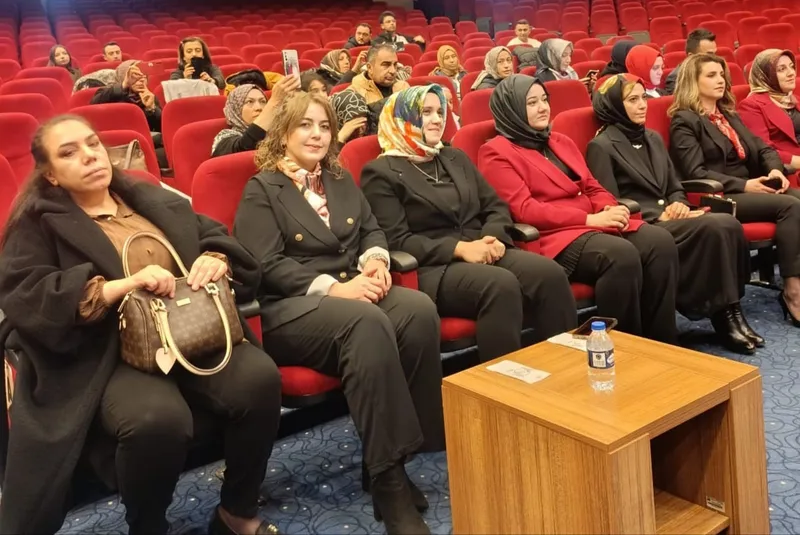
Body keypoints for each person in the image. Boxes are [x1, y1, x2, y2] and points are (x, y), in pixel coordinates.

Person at [0, 115, 282, 535]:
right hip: (107, 352)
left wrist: (215, 259)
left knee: (259, 379)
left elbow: (213, 235)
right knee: (156, 419)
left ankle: (236, 510)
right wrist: (120, 286)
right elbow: (28, 295)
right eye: (69, 152)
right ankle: (148, 527)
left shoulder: (148, 198)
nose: (89, 156)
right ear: (51, 175)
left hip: (188, 328)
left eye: (93, 143)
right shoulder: (37, 223)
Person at [234, 91, 444, 535]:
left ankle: (387, 460)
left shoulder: (338, 178)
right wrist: (335, 288)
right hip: (291, 307)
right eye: (304, 125)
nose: (317, 134)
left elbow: (372, 230)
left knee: (417, 310)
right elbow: (265, 265)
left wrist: (376, 261)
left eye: (324, 126)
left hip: (350, 290)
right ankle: (389, 483)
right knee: (366, 322)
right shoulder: (263, 188)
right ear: (283, 134)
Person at [361, 85, 578, 362]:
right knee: (499, 285)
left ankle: (566, 367)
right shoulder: (380, 172)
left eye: (440, 112)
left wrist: (492, 237)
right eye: (426, 112)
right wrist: (461, 249)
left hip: (482, 248)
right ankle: (504, 382)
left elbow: (495, 206)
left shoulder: (454, 157)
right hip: (435, 266)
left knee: (549, 274)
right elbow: (397, 240)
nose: (437, 119)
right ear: (403, 119)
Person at [479, 75, 681, 344]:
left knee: (659, 242)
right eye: (531, 103)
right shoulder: (496, 152)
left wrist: (609, 207)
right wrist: (590, 219)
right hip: (555, 235)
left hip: (594, 222)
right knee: (619, 255)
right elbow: (525, 210)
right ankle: (622, 347)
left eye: (544, 100)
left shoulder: (560, 140)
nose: (543, 108)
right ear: (512, 108)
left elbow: (592, 186)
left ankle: (662, 341)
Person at [587, 74, 761, 353]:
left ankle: (729, 311)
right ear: (615, 105)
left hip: (672, 217)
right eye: (632, 100)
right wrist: (658, 216)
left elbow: (674, 185)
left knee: (728, 224)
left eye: (644, 97)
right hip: (642, 226)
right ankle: (724, 317)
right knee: (714, 227)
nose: (642, 105)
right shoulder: (602, 146)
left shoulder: (652, 137)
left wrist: (679, 203)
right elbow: (608, 201)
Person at [669, 53, 800, 326]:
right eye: (711, 75)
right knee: (791, 205)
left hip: (750, 188)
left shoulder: (727, 114)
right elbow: (696, 173)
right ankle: (793, 290)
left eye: (721, 75)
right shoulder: (685, 121)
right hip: (718, 195)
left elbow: (763, 148)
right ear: (693, 81)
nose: (721, 80)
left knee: (797, 198)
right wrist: (745, 185)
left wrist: (775, 170)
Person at [739, 49, 800, 172]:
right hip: (788, 169)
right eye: (781, 69)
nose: (791, 73)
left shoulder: (795, 99)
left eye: (791, 67)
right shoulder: (751, 106)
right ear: (766, 75)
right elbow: (763, 149)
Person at [211, 75, 300, 157]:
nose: (259, 108)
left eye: (262, 101)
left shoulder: (276, 134)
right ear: (236, 109)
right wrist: (274, 102)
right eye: (250, 102)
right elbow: (244, 148)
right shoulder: (225, 137)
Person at [91, 60, 162, 133]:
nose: (141, 80)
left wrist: (151, 109)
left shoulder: (149, 97)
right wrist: (124, 85)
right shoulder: (110, 92)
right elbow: (94, 106)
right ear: (124, 77)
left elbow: (161, 128)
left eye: (144, 76)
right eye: (135, 76)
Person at [664, 28, 717, 95]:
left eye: (715, 54)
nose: (715, 58)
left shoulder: (718, 71)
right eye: (709, 54)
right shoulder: (676, 79)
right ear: (691, 56)